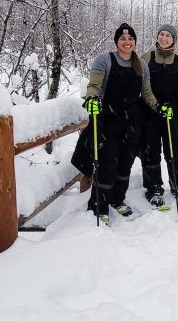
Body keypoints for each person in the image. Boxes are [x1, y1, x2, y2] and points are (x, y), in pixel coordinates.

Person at [71, 22, 159, 223]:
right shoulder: (105, 60)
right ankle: (99, 206)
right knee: (107, 164)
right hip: (109, 121)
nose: (127, 42)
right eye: (122, 39)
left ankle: (118, 200)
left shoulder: (141, 65)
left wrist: (158, 107)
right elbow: (93, 86)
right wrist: (92, 99)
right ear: (117, 41)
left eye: (130, 39)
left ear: (135, 42)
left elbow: (146, 93)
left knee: (125, 164)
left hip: (132, 122)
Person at [139, 23, 178, 208]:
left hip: (173, 112)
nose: (164, 38)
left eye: (168, 36)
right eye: (161, 34)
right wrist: (156, 106)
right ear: (157, 37)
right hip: (151, 113)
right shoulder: (146, 58)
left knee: (175, 151)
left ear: (174, 40)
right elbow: (142, 87)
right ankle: (153, 188)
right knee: (151, 152)